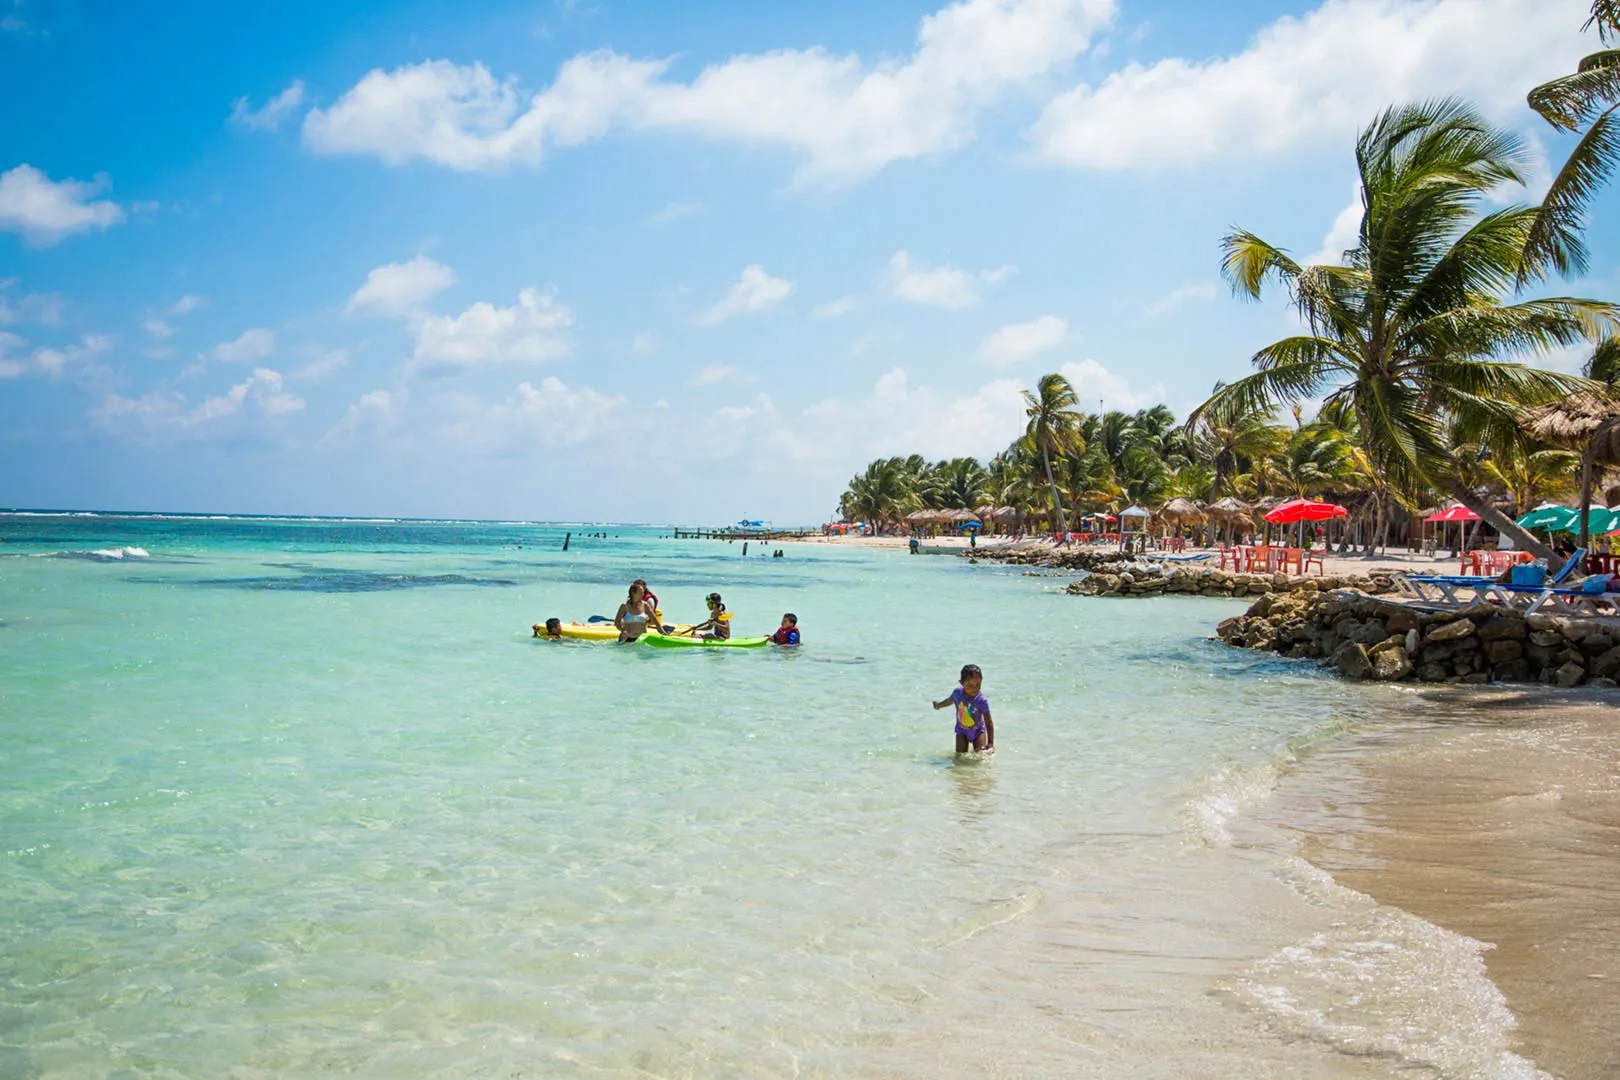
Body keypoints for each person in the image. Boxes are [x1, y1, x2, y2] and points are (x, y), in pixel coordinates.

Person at [932, 663, 994, 754]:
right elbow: (949, 701)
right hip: (962, 731)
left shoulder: (981, 700)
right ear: (962, 683)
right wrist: (939, 705)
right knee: (960, 758)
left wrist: (991, 743)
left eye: (978, 684)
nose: (975, 688)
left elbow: (988, 722)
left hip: (978, 732)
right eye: (970, 685)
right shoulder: (957, 694)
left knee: (980, 757)